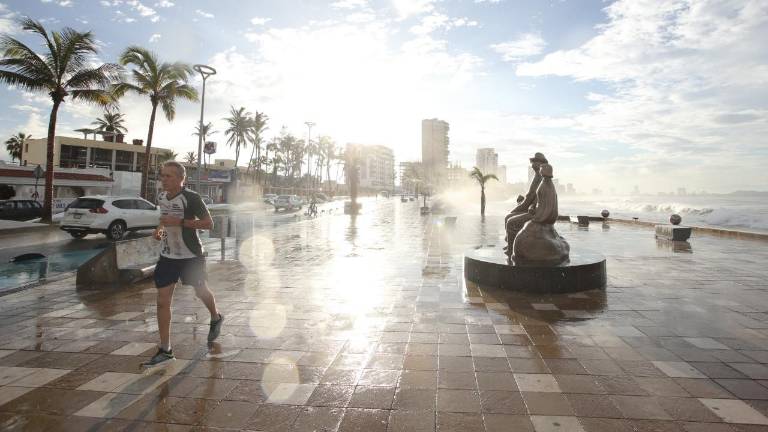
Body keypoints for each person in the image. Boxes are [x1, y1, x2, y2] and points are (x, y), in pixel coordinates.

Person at [141, 161, 224, 368]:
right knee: (162, 300)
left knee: (200, 291)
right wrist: (159, 228)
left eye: (168, 176)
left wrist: (180, 223)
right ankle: (165, 349)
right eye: (162, 175)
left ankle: (215, 316)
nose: (164, 179)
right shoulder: (161, 197)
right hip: (169, 255)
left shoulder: (192, 198)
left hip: (191, 256)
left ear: (181, 179)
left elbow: (208, 224)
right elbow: (164, 216)